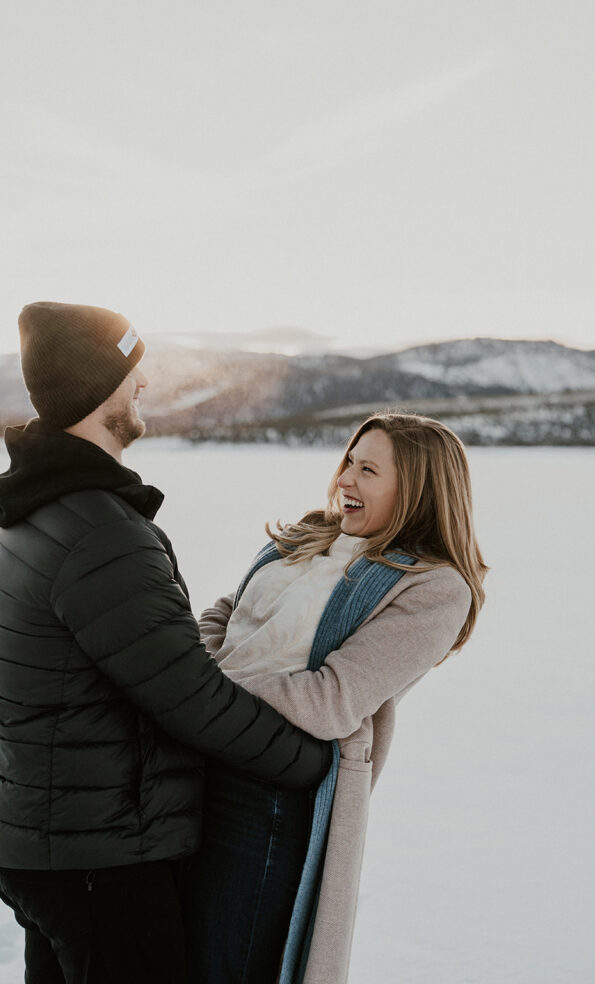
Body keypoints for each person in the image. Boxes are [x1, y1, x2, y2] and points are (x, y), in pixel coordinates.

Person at [0, 300, 332, 984]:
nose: (144, 385)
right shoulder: (96, 531)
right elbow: (187, 694)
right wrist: (313, 760)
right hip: (98, 858)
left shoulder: (32, 510)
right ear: (93, 388)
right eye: (131, 372)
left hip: (44, 841)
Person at [180, 412, 488, 984]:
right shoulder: (310, 534)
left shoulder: (432, 589)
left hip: (264, 797)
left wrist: (203, 689)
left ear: (417, 490)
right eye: (349, 460)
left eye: (368, 470)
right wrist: (202, 677)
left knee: (225, 965)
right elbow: (224, 611)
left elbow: (330, 702)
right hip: (188, 761)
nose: (345, 478)